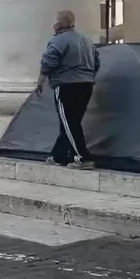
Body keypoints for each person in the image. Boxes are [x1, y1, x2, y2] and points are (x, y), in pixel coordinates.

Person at [39, 9, 99, 168]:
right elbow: (96, 61)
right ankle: (59, 155)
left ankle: (82, 157)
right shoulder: (86, 40)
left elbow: (49, 61)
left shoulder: (58, 41)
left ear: (58, 25)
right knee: (71, 122)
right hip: (86, 85)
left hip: (66, 85)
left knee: (69, 122)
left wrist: (40, 80)